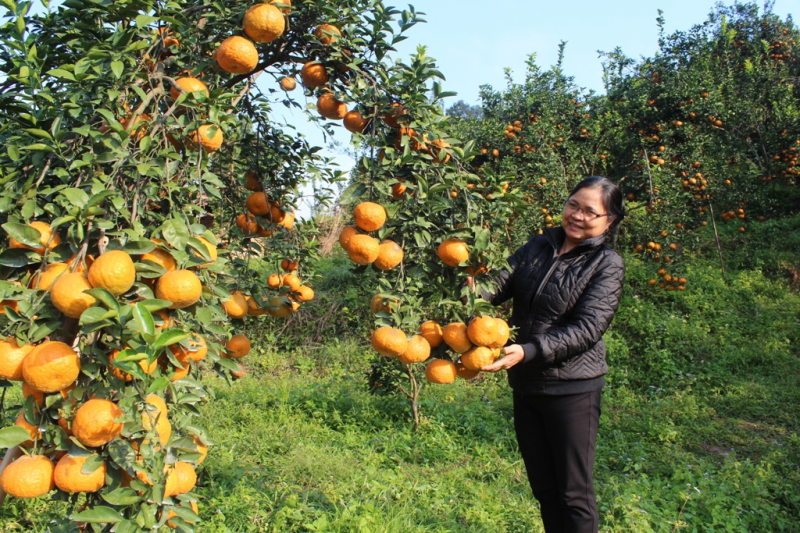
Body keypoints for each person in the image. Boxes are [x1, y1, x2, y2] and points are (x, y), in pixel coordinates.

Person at [480, 176, 626, 533]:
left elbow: (588, 328)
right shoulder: (538, 245)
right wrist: (466, 292)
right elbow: (498, 285)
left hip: (572, 389)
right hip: (527, 384)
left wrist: (529, 350)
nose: (577, 215)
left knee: (573, 493)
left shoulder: (607, 264)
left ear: (609, 220)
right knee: (544, 488)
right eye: (572, 205)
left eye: (590, 211)